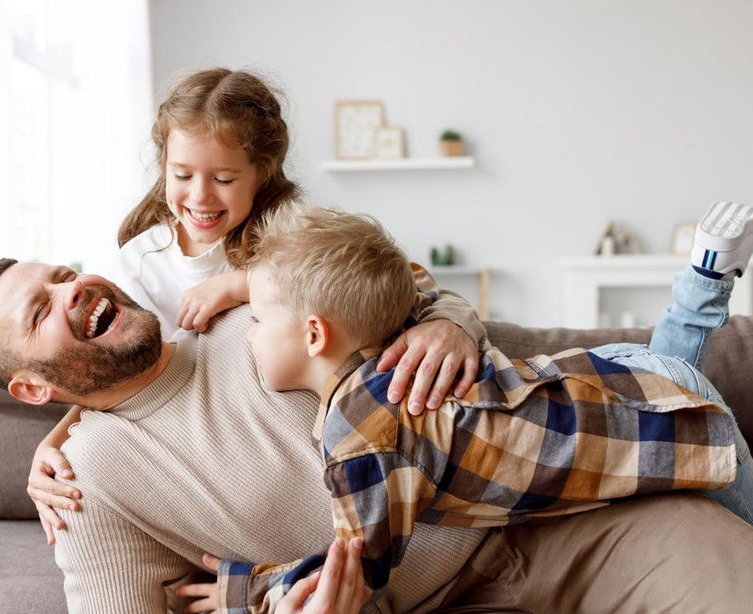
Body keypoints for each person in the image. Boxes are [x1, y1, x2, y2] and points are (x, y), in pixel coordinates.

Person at [0, 222, 753, 613]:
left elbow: (398, 276)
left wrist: (448, 319)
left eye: (64, 273)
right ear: (31, 389)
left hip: (565, 519)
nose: (75, 290)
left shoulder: (255, 309)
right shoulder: (85, 482)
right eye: (42, 310)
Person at [175, 201, 753, 612]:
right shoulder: (391, 347)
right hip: (624, 378)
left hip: (646, 414)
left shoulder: (362, 437)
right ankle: (704, 276)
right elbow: (401, 277)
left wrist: (248, 591)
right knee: (674, 378)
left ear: (313, 335)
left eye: (255, 320)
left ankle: (703, 285)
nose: (249, 336)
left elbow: (357, 567)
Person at [28, 67, 485, 545]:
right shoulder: (141, 262)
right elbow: (112, 374)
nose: (200, 196)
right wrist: (53, 441)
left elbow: (404, 283)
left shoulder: (289, 235)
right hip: (204, 448)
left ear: (262, 172)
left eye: (224, 178)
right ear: (163, 163)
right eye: (182, 175)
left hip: (305, 435)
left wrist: (240, 284)